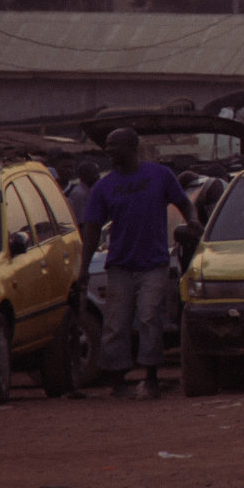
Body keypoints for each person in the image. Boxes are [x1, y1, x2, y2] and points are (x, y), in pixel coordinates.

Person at [79, 128, 194, 400]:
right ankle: (118, 379)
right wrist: (83, 267)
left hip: (153, 263)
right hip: (120, 264)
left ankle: (151, 377)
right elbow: (93, 229)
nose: (108, 150)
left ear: (131, 147)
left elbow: (183, 203)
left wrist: (193, 221)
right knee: (116, 323)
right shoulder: (103, 187)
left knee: (148, 317)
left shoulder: (159, 176)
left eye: (113, 145)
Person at [63, 158, 100, 223]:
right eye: (95, 174)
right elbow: (80, 221)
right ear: (86, 176)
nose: (98, 177)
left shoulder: (89, 190)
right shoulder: (79, 194)